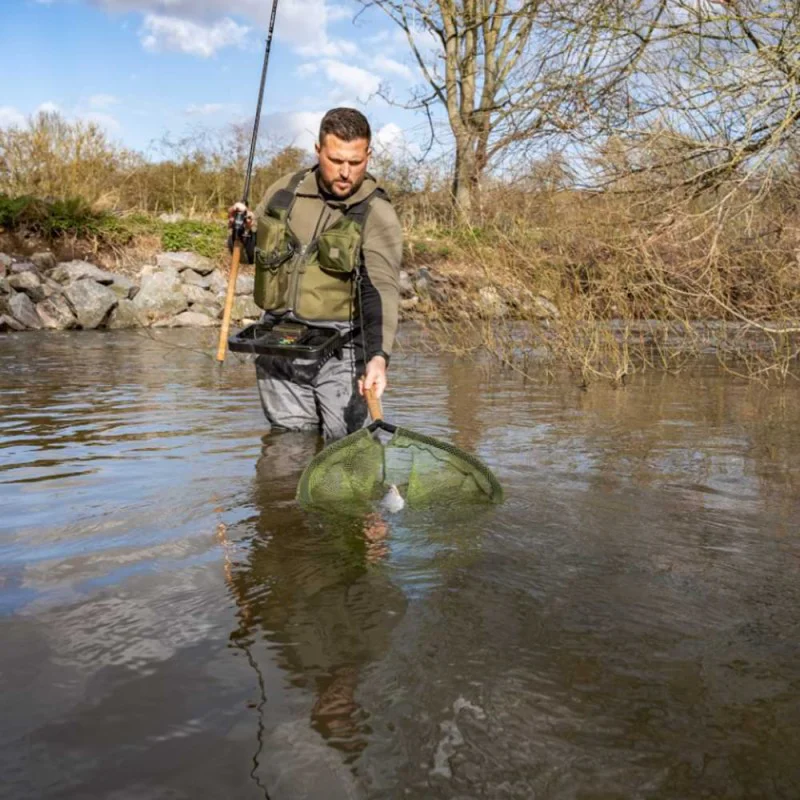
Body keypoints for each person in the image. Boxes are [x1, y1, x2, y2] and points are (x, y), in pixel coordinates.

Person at [229, 107, 403, 441]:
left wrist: (378, 358)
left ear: (368, 154)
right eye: (336, 160)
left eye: (356, 162)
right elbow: (254, 255)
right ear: (318, 150)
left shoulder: (378, 213)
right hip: (278, 344)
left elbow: (381, 289)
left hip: (342, 351)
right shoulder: (284, 192)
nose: (345, 173)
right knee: (287, 447)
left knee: (346, 451)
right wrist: (242, 232)